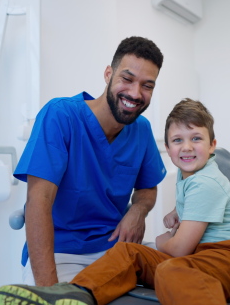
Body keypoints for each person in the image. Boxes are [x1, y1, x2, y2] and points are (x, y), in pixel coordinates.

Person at [0, 98, 230, 305]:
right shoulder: (191, 175)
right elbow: (196, 203)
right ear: (168, 148)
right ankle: (74, 297)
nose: (186, 147)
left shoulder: (206, 182)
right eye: (177, 140)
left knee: (171, 271)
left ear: (213, 145)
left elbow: (178, 249)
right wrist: (179, 212)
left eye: (196, 139)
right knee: (127, 252)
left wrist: (163, 240)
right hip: (204, 258)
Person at [13, 36, 167, 287]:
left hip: (117, 250)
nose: (135, 93)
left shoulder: (141, 128)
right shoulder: (61, 115)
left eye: (147, 86)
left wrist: (138, 211)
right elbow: (38, 202)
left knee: (187, 274)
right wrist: (50, 293)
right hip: (62, 253)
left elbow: (147, 187)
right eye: (127, 79)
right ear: (108, 74)